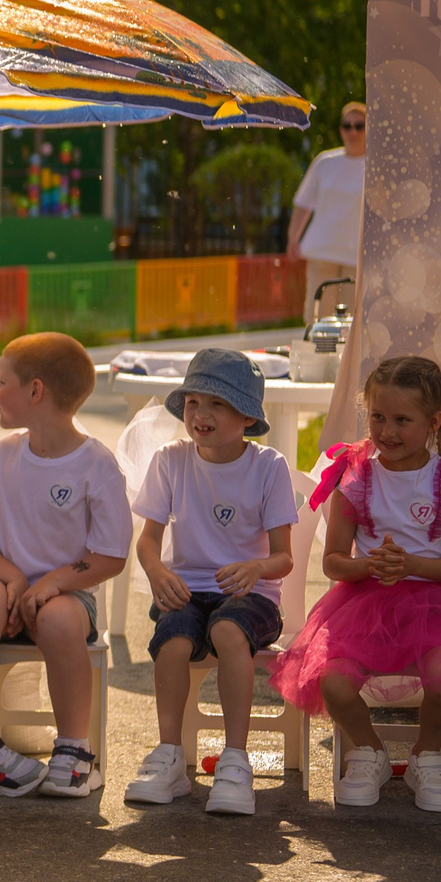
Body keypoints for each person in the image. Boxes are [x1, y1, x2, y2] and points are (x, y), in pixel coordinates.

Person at [272, 356, 441, 812]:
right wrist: (371, 566)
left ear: (433, 421)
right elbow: (334, 562)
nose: (386, 431)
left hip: (432, 606)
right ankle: (367, 751)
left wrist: (410, 563)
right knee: (332, 681)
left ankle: (426, 757)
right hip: (362, 604)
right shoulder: (355, 479)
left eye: (402, 420)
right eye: (377, 417)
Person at [0, 333, 131, 799]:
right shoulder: (3, 455)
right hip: (1, 593)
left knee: (58, 617)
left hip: (66, 598)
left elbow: (110, 555)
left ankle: (74, 752)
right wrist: (11, 577)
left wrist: (51, 583)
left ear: (35, 392)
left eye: (1, 383)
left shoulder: (97, 464)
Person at [122, 350, 296, 817]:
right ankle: (170, 756)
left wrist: (255, 569)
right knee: (174, 638)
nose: (200, 414)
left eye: (216, 404)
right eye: (194, 402)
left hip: (250, 595)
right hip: (187, 591)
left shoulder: (269, 466)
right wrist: (158, 572)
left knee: (226, 630)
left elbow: (284, 558)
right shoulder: (170, 460)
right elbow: (147, 542)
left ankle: (235, 760)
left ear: (247, 416)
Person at [289, 101, 368, 317]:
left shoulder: (377, 166)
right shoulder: (325, 162)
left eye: (359, 126)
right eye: (347, 125)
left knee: (351, 325)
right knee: (318, 319)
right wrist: (293, 238)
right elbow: (303, 203)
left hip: (357, 256)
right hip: (322, 251)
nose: (352, 131)